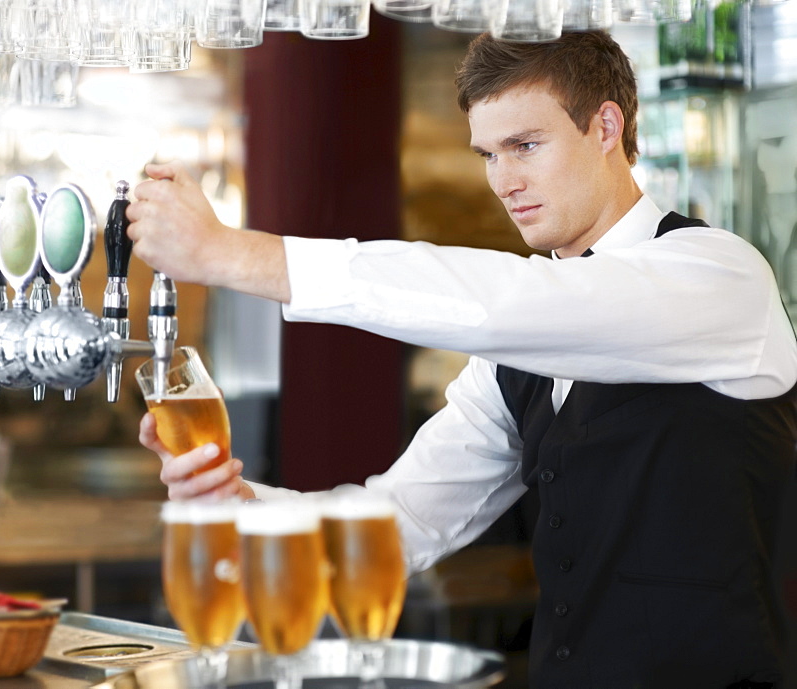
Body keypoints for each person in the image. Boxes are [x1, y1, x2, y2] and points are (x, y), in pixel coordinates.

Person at [126, 30, 797, 689]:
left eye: (525, 146)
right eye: (488, 155)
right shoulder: (514, 360)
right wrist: (240, 500)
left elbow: (518, 304)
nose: (504, 181)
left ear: (605, 127)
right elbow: (398, 524)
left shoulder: (722, 277)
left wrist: (231, 254)